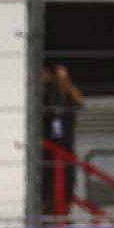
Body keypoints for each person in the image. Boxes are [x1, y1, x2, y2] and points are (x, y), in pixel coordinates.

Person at [40, 64, 84, 216]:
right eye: (58, 77)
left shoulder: (69, 94)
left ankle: (65, 207)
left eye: (63, 77)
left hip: (66, 144)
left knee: (68, 178)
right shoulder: (47, 93)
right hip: (47, 146)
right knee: (46, 178)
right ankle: (46, 206)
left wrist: (67, 84)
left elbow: (80, 102)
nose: (60, 80)